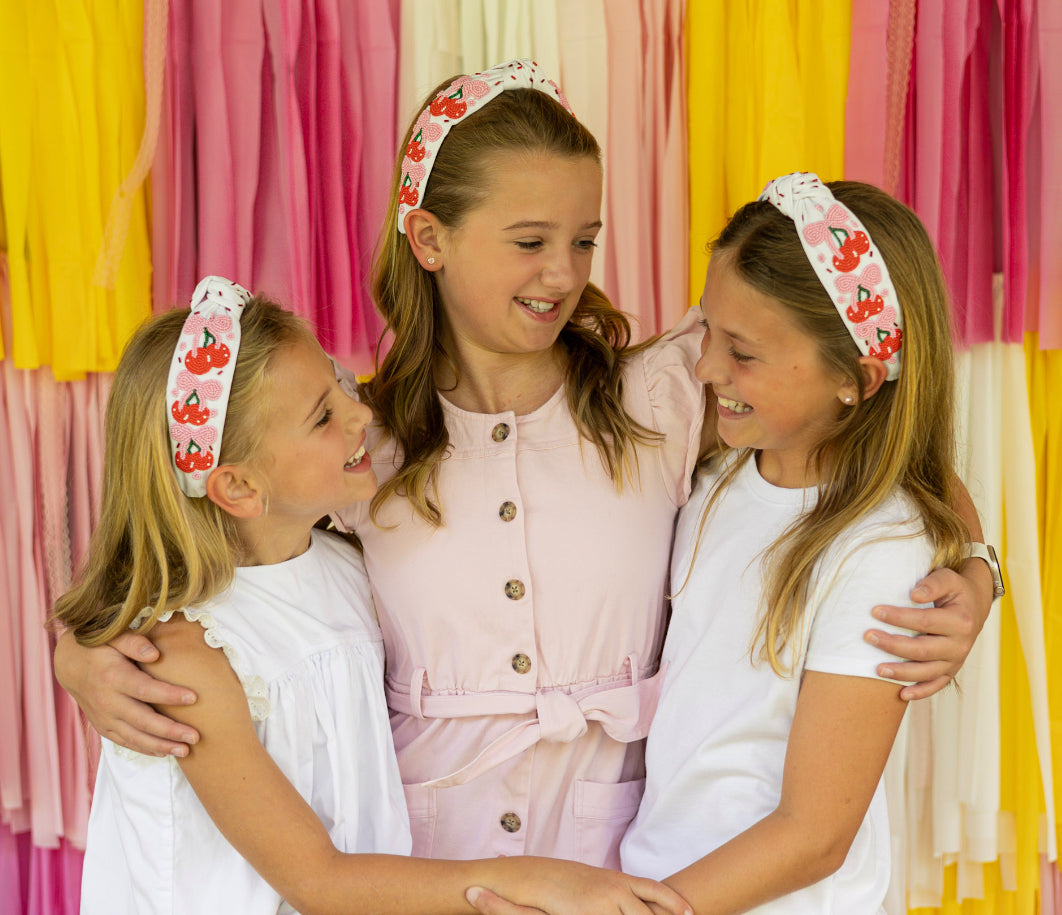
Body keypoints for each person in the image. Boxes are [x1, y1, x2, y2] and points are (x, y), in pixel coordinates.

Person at [53, 61, 995, 871]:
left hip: (621, 860)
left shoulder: (663, 398)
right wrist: (83, 648)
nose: (563, 273)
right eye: (529, 242)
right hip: (423, 863)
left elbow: (878, 439)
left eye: (583, 240)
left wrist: (977, 570)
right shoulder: (354, 442)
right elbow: (190, 542)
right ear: (431, 241)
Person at [55, 276, 692, 915]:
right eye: (323, 416)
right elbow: (317, 882)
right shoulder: (187, 661)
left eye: (339, 383)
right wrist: (536, 880)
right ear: (241, 488)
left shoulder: (345, 569)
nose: (361, 412)